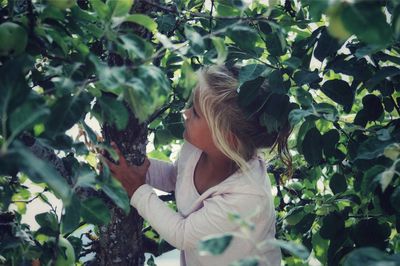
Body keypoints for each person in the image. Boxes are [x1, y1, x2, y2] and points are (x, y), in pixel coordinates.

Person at [101, 65, 293, 266]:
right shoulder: (196, 149)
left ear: (226, 138)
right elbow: (176, 177)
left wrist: (137, 191)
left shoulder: (247, 198)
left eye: (196, 113)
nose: (186, 112)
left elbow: (181, 234)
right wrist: (135, 170)